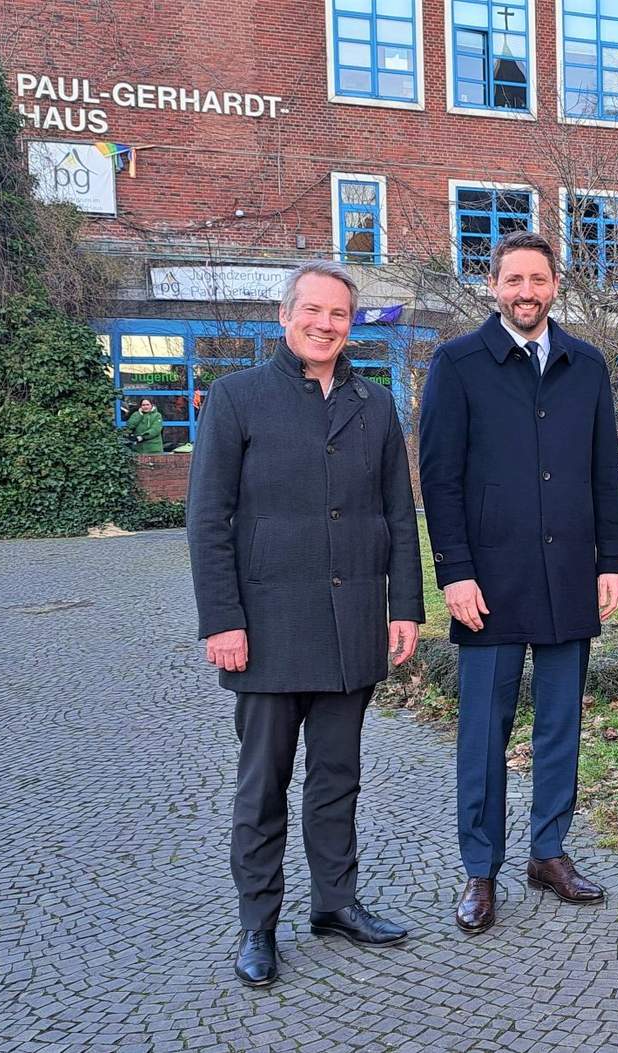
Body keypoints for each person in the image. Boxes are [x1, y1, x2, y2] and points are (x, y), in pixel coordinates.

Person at [187, 259, 424, 987]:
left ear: (352, 324)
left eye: (339, 314)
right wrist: (222, 619)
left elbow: (395, 512)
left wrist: (405, 604)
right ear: (285, 315)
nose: (325, 324)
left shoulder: (374, 404)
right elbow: (208, 518)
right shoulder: (237, 398)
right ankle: (257, 922)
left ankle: (336, 902)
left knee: (338, 777)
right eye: (312, 311)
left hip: (351, 620)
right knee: (262, 784)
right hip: (264, 627)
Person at [419, 231, 618, 934]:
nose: (526, 292)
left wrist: (614, 559)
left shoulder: (586, 365)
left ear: (555, 284)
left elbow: (606, 471)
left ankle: (548, 852)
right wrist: (454, 572)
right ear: (493, 285)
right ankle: (480, 869)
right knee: (483, 731)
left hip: (569, 571)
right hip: (490, 583)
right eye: (513, 280)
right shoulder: (457, 364)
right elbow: (439, 478)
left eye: (537, 279)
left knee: (560, 727)